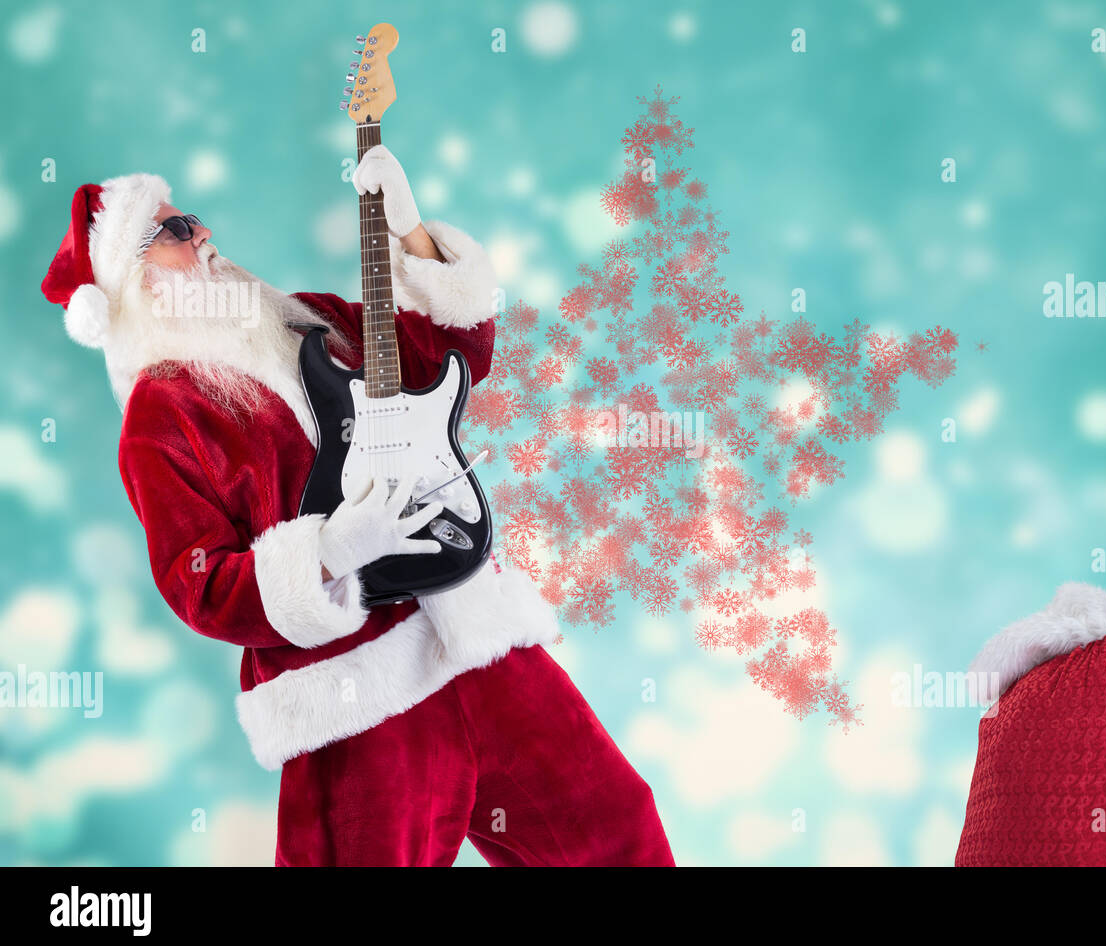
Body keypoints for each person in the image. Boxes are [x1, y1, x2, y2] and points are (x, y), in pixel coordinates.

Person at [41, 146, 675, 867]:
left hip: (474, 638)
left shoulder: (305, 320)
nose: (204, 234)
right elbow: (199, 585)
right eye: (176, 231)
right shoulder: (161, 418)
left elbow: (444, 358)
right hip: (358, 691)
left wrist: (411, 236)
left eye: (195, 218)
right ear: (134, 282)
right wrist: (331, 550)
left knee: (615, 829)